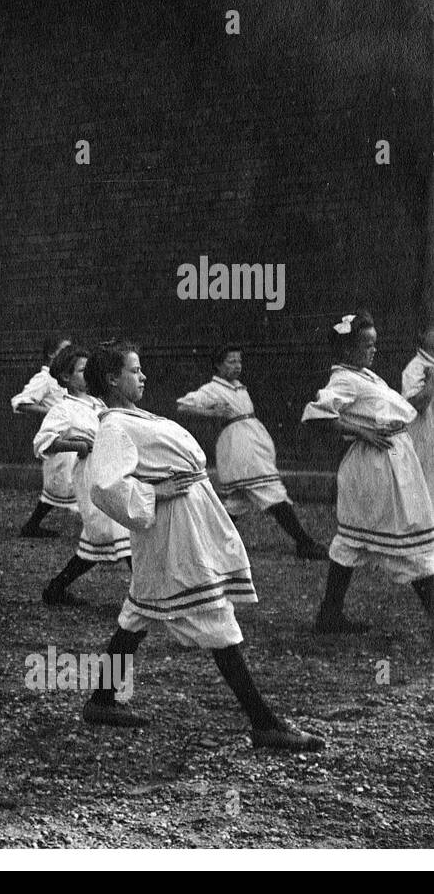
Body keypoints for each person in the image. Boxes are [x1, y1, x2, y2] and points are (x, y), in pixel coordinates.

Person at [82, 340, 324, 751]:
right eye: (134, 371)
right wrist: (155, 493)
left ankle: (102, 700)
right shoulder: (113, 427)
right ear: (112, 379)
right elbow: (105, 488)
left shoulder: (132, 418)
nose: (143, 377)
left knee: (138, 611)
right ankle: (264, 723)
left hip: (185, 524)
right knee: (213, 615)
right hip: (173, 532)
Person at [302, 312, 434, 636]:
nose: (373, 350)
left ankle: (329, 614)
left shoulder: (364, 376)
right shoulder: (344, 380)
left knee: (352, 541)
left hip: (388, 460)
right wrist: (361, 431)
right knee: (405, 541)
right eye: (366, 345)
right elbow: (316, 414)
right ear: (347, 349)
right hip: (375, 466)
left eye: (374, 344)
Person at [176, 344, 327, 559]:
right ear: (218, 365)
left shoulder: (239, 387)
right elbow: (183, 405)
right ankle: (305, 543)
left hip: (252, 440)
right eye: (231, 362)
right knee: (270, 490)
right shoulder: (213, 389)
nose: (237, 366)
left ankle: (205, 543)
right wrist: (213, 412)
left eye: (239, 361)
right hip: (239, 445)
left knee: (238, 501)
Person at [34, 344, 131, 605]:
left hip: (110, 471)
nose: (89, 375)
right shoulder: (63, 409)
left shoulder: (98, 403)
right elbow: (42, 442)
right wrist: (75, 445)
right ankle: (151, 595)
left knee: (98, 541)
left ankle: (55, 589)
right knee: (121, 531)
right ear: (66, 377)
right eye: (82, 371)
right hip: (90, 476)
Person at [12, 334, 76, 537]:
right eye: (64, 351)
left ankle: (32, 525)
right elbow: (21, 402)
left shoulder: (65, 379)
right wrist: (52, 413)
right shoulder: (45, 379)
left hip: (71, 441)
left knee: (67, 485)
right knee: (61, 485)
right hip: (57, 442)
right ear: (51, 354)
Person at [400, 323, 434, 500]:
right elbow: (415, 405)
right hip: (424, 440)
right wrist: (431, 383)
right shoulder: (415, 369)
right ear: (422, 334)